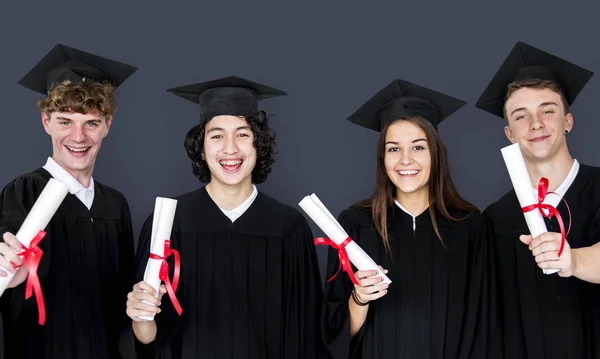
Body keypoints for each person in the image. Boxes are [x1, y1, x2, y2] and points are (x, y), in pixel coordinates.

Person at [126, 76, 324, 358]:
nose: (230, 148)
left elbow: (306, 333)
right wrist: (139, 316)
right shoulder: (169, 223)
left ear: (259, 144)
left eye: (243, 134)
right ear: (202, 148)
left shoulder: (288, 226)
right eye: (217, 135)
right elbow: (147, 339)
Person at [323, 79, 500, 359]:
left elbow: (484, 326)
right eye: (394, 148)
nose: (406, 160)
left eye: (418, 147)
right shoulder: (356, 224)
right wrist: (360, 297)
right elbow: (334, 334)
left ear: (436, 153)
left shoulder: (470, 226)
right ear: (383, 158)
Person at [0, 43, 137, 359]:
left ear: (107, 126)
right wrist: (10, 277)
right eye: (65, 121)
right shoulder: (23, 192)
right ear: (46, 122)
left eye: (91, 122)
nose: (78, 137)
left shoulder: (115, 205)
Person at [476, 41, 600, 358]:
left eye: (547, 110)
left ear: (567, 122)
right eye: (521, 116)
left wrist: (574, 260)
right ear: (509, 134)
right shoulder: (495, 217)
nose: (536, 124)